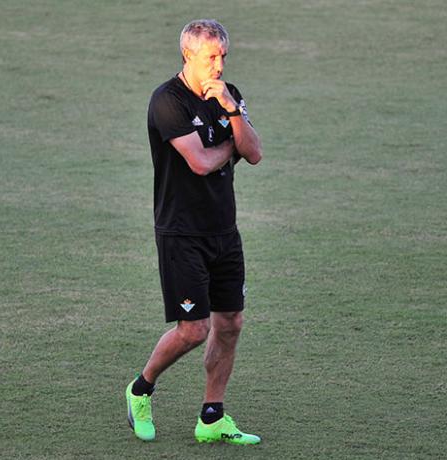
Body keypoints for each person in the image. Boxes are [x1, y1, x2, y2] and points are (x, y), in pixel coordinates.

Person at [125, 19, 263, 445]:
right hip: (181, 234)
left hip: (224, 230)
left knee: (231, 322)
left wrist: (232, 111)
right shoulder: (167, 101)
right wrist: (230, 146)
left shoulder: (229, 95)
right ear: (189, 56)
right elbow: (201, 162)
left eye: (223, 55)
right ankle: (140, 389)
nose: (218, 65)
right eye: (211, 57)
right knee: (193, 329)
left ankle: (212, 416)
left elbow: (254, 152)